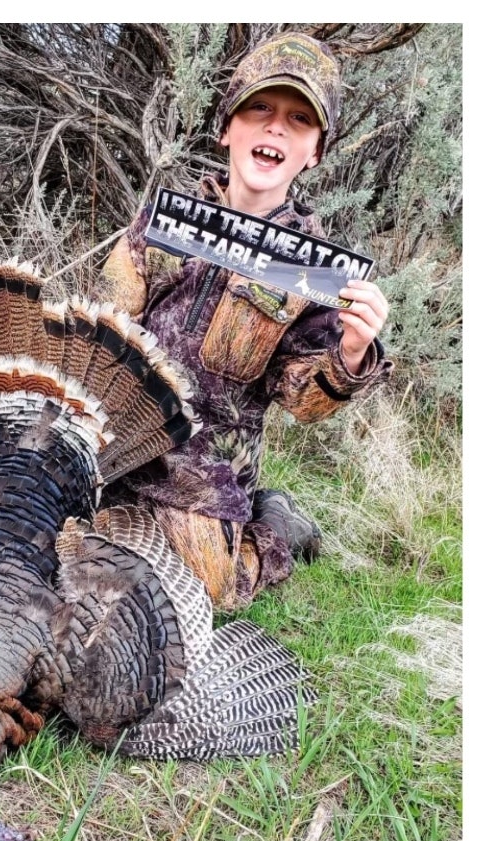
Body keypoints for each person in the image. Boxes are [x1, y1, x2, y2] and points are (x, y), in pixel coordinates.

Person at [95, 32, 392, 612]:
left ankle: (275, 525)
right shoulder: (166, 221)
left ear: (314, 152)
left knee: (201, 597)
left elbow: (303, 402)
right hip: (117, 450)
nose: (275, 127)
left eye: (299, 119)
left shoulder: (317, 271)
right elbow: (102, 324)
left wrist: (353, 351)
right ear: (228, 128)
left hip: (203, 481)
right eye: (260, 108)